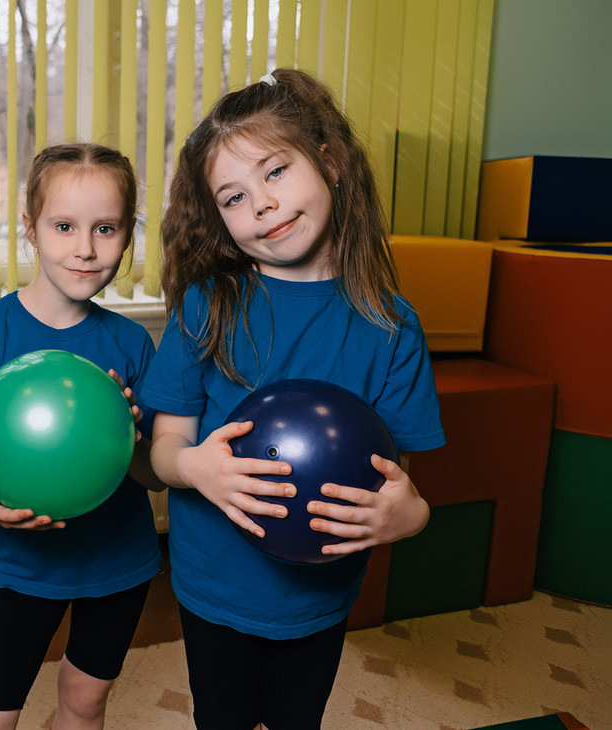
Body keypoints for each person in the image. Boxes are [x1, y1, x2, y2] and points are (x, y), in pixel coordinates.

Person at [143, 68, 446, 729]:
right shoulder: (207, 307)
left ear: (331, 162)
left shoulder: (391, 326)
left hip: (320, 597)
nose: (261, 204)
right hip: (214, 586)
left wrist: (410, 516)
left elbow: (398, 481)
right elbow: (165, 448)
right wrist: (192, 466)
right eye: (233, 196)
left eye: (275, 172)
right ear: (219, 220)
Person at [0, 143, 166, 730]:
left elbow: (155, 477)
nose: (85, 248)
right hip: (28, 568)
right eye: (64, 226)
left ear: (127, 235)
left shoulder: (133, 345)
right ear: (29, 228)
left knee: (84, 701)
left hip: (122, 567)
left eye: (105, 229)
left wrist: (130, 435)